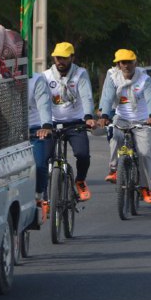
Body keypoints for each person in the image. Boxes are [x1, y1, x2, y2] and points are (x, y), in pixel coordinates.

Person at [97, 49, 151, 204]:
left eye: (129, 62)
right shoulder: (113, 78)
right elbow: (108, 97)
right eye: (123, 62)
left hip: (141, 120)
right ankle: (114, 169)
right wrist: (105, 116)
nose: (126, 65)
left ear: (135, 63)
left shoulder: (144, 79)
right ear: (118, 64)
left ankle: (145, 187)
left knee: (144, 153)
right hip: (121, 118)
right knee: (115, 137)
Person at [43, 42, 96, 201]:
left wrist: (88, 117)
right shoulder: (46, 76)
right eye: (58, 58)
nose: (60, 61)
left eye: (64, 58)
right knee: (43, 158)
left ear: (72, 58)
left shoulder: (80, 74)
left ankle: (80, 181)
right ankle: (44, 196)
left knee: (83, 154)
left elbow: (86, 96)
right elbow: (41, 101)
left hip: (76, 123)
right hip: (51, 124)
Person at [28, 73, 54, 217]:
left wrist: (46, 126)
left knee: (39, 165)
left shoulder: (36, 79)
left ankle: (40, 195)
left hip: (36, 129)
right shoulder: (1, 77)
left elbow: (43, 104)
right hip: (12, 133)